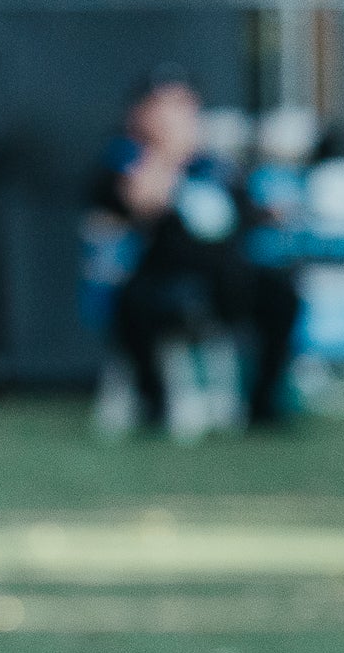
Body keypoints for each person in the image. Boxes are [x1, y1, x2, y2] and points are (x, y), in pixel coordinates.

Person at [86, 69, 303, 435]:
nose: (180, 117)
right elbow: (139, 203)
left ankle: (263, 402)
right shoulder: (124, 158)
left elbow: (247, 213)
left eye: (185, 106)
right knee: (133, 303)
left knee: (280, 293)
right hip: (162, 277)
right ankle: (154, 402)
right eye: (167, 107)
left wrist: (274, 210)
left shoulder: (213, 165)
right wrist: (168, 154)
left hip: (225, 277)